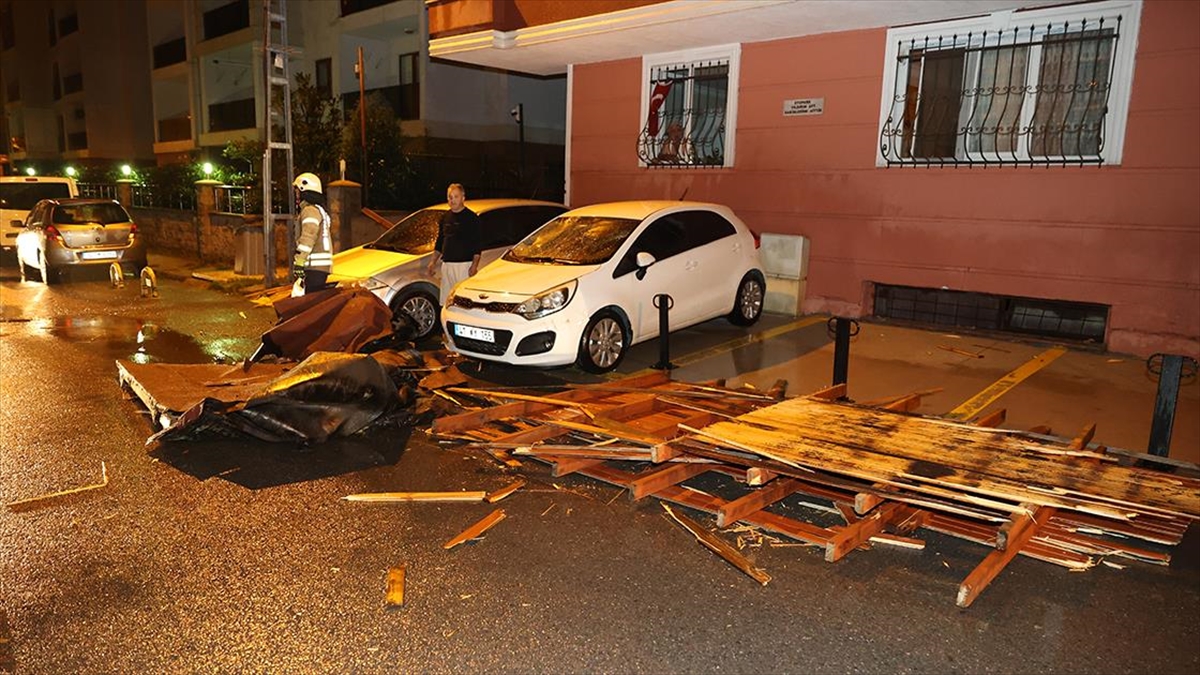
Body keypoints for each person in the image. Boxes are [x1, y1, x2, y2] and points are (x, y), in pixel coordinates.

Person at [427, 182, 481, 306]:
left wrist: (474, 266)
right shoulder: (445, 218)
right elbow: (440, 242)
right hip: (447, 265)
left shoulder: (471, 218)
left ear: (463, 198)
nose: (452, 200)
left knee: (463, 301)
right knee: (447, 301)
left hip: (464, 266)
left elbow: (477, 244)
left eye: (456, 197)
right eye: (450, 197)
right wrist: (432, 262)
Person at [291, 172, 333, 295]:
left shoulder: (310, 211)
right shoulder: (319, 210)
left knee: (311, 302)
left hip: (313, 267)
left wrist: (299, 261)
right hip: (320, 268)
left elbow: (308, 236)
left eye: (297, 191)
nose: (296, 195)